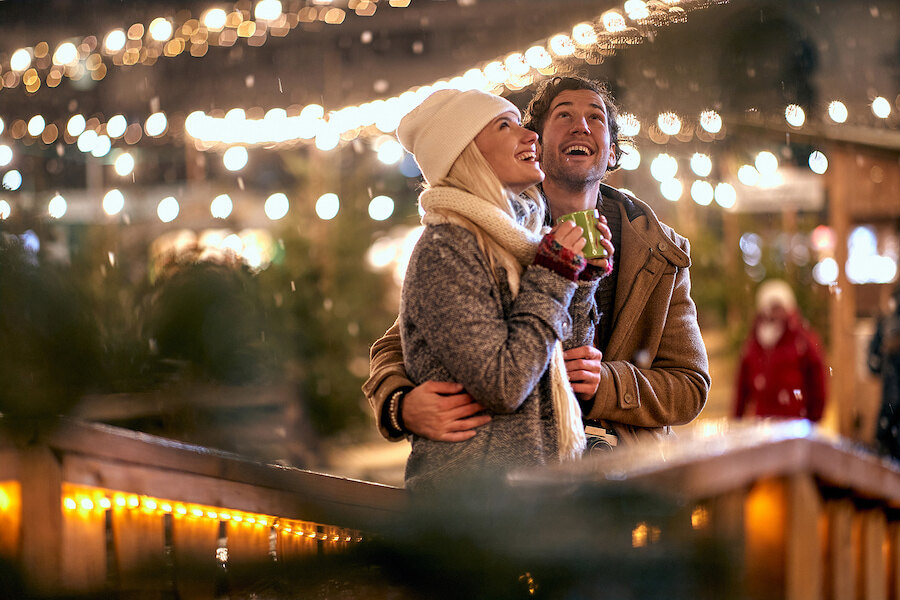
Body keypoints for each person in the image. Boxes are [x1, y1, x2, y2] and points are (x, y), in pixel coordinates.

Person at [363, 75, 709, 450]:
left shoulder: (659, 252)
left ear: (611, 152)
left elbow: (689, 386)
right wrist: (400, 405)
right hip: (520, 470)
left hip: (625, 469)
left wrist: (606, 384)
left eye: (595, 118)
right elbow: (405, 342)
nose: (581, 126)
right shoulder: (490, 233)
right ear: (537, 146)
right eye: (563, 116)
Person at [392, 88, 612, 492]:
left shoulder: (519, 240)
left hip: (535, 497)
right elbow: (505, 385)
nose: (530, 135)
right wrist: (556, 273)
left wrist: (580, 282)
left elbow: (557, 364)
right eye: (505, 126)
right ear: (467, 154)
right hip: (477, 508)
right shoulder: (446, 250)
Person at [733, 279, 827, 422]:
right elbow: (742, 386)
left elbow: (817, 380)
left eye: (779, 307)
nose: (774, 313)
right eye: (771, 307)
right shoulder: (754, 344)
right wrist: (736, 419)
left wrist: (815, 418)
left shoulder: (802, 341)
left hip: (795, 421)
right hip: (762, 422)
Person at [869, 283, 900, 459]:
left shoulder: (886, 322)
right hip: (891, 407)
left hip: (890, 410)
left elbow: (873, 365)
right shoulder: (886, 323)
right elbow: (873, 364)